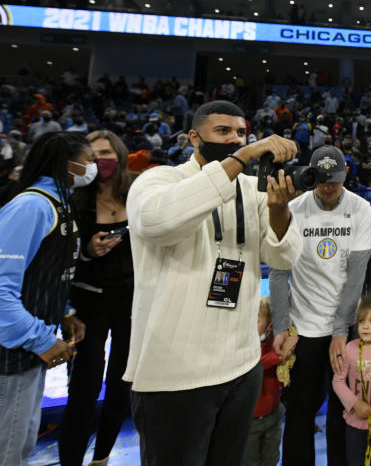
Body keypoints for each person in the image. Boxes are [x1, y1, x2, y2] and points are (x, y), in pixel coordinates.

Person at [125, 100, 303, 466]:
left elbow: (283, 257)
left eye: (241, 133)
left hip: (241, 366)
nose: (236, 139)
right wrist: (243, 157)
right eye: (223, 132)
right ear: (194, 137)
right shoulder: (160, 180)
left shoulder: (253, 191)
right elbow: (158, 224)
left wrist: (279, 208)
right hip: (176, 373)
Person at [269, 145, 371, 466]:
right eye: (323, 181)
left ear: (346, 176)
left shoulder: (360, 208)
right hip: (306, 326)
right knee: (301, 410)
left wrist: (342, 330)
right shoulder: (294, 209)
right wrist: (282, 324)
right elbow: (278, 271)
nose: (329, 188)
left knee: (344, 409)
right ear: (312, 177)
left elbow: (356, 275)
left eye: (336, 181)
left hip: (344, 324)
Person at [0, 131, 93, 465]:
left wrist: (63, 312)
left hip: (28, 346)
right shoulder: (31, 206)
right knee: (8, 447)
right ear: (65, 163)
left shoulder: (59, 204)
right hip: (11, 350)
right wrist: (41, 338)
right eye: (88, 160)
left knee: (21, 442)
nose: (93, 167)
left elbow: (43, 274)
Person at [58, 130, 137, 466]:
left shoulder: (138, 193)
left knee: (121, 387)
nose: (100, 160)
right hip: (87, 303)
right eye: (92, 155)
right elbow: (60, 256)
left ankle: (102, 457)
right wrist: (88, 252)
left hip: (131, 302)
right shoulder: (74, 199)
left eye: (106, 152)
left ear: (119, 155)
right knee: (83, 390)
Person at [332, 295, 371, 466]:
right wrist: (354, 404)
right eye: (361, 321)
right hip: (355, 425)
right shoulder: (350, 348)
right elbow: (337, 382)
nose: (365, 326)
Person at [241, 296, 284, 466]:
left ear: (271, 326)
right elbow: (254, 363)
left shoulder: (276, 343)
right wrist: (278, 357)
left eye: (257, 321)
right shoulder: (245, 345)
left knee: (271, 459)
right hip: (249, 422)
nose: (251, 325)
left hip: (273, 416)